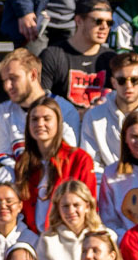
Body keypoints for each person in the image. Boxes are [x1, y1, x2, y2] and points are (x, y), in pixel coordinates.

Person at [12, 99, 98, 233]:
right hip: (30, 239)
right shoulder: (23, 163)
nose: (40, 124)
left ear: (58, 123)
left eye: (47, 119)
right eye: (34, 119)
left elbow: (90, 207)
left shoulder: (79, 159)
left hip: (68, 237)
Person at [80, 53, 138, 170]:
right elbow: (91, 164)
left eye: (135, 80)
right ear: (113, 83)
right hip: (107, 184)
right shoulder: (94, 116)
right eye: (121, 80)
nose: (128, 86)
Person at [0, 50, 79, 159]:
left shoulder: (65, 109)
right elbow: (2, 156)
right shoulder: (2, 111)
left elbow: (68, 156)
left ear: (33, 75)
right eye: (4, 80)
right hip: (16, 175)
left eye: (13, 78)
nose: (7, 86)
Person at [40, 0, 117, 110]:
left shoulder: (112, 59)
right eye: (98, 21)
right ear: (79, 20)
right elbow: (41, 102)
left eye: (109, 23)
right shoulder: (52, 55)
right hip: (63, 124)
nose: (104, 27)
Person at [37, 176, 107, 260]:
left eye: (76, 205)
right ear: (58, 208)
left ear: (87, 206)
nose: (70, 211)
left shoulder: (105, 236)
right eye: (65, 206)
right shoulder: (48, 240)